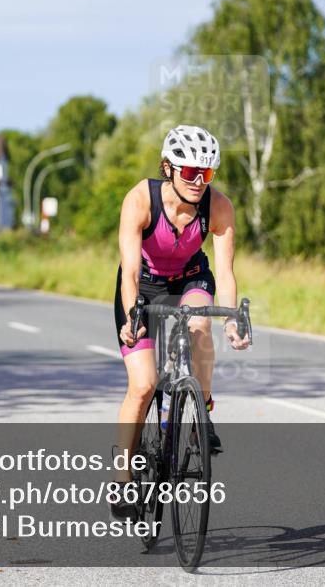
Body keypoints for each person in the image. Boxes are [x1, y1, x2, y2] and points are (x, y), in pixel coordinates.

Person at [111, 124, 250, 520]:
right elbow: (130, 272)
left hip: (191, 278)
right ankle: (122, 477)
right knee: (143, 385)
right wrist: (133, 314)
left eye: (207, 174)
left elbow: (224, 272)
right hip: (145, 286)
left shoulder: (218, 206)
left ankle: (201, 409)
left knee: (200, 326)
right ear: (168, 168)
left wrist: (231, 321)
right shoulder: (140, 199)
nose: (199, 182)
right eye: (190, 172)